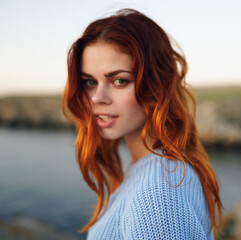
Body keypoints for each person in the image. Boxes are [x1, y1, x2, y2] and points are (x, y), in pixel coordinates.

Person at [62, 8, 223, 239]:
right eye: (89, 81)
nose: (97, 97)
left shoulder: (160, 193)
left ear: (156, 85)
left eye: (119, 80)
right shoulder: (154, 171)